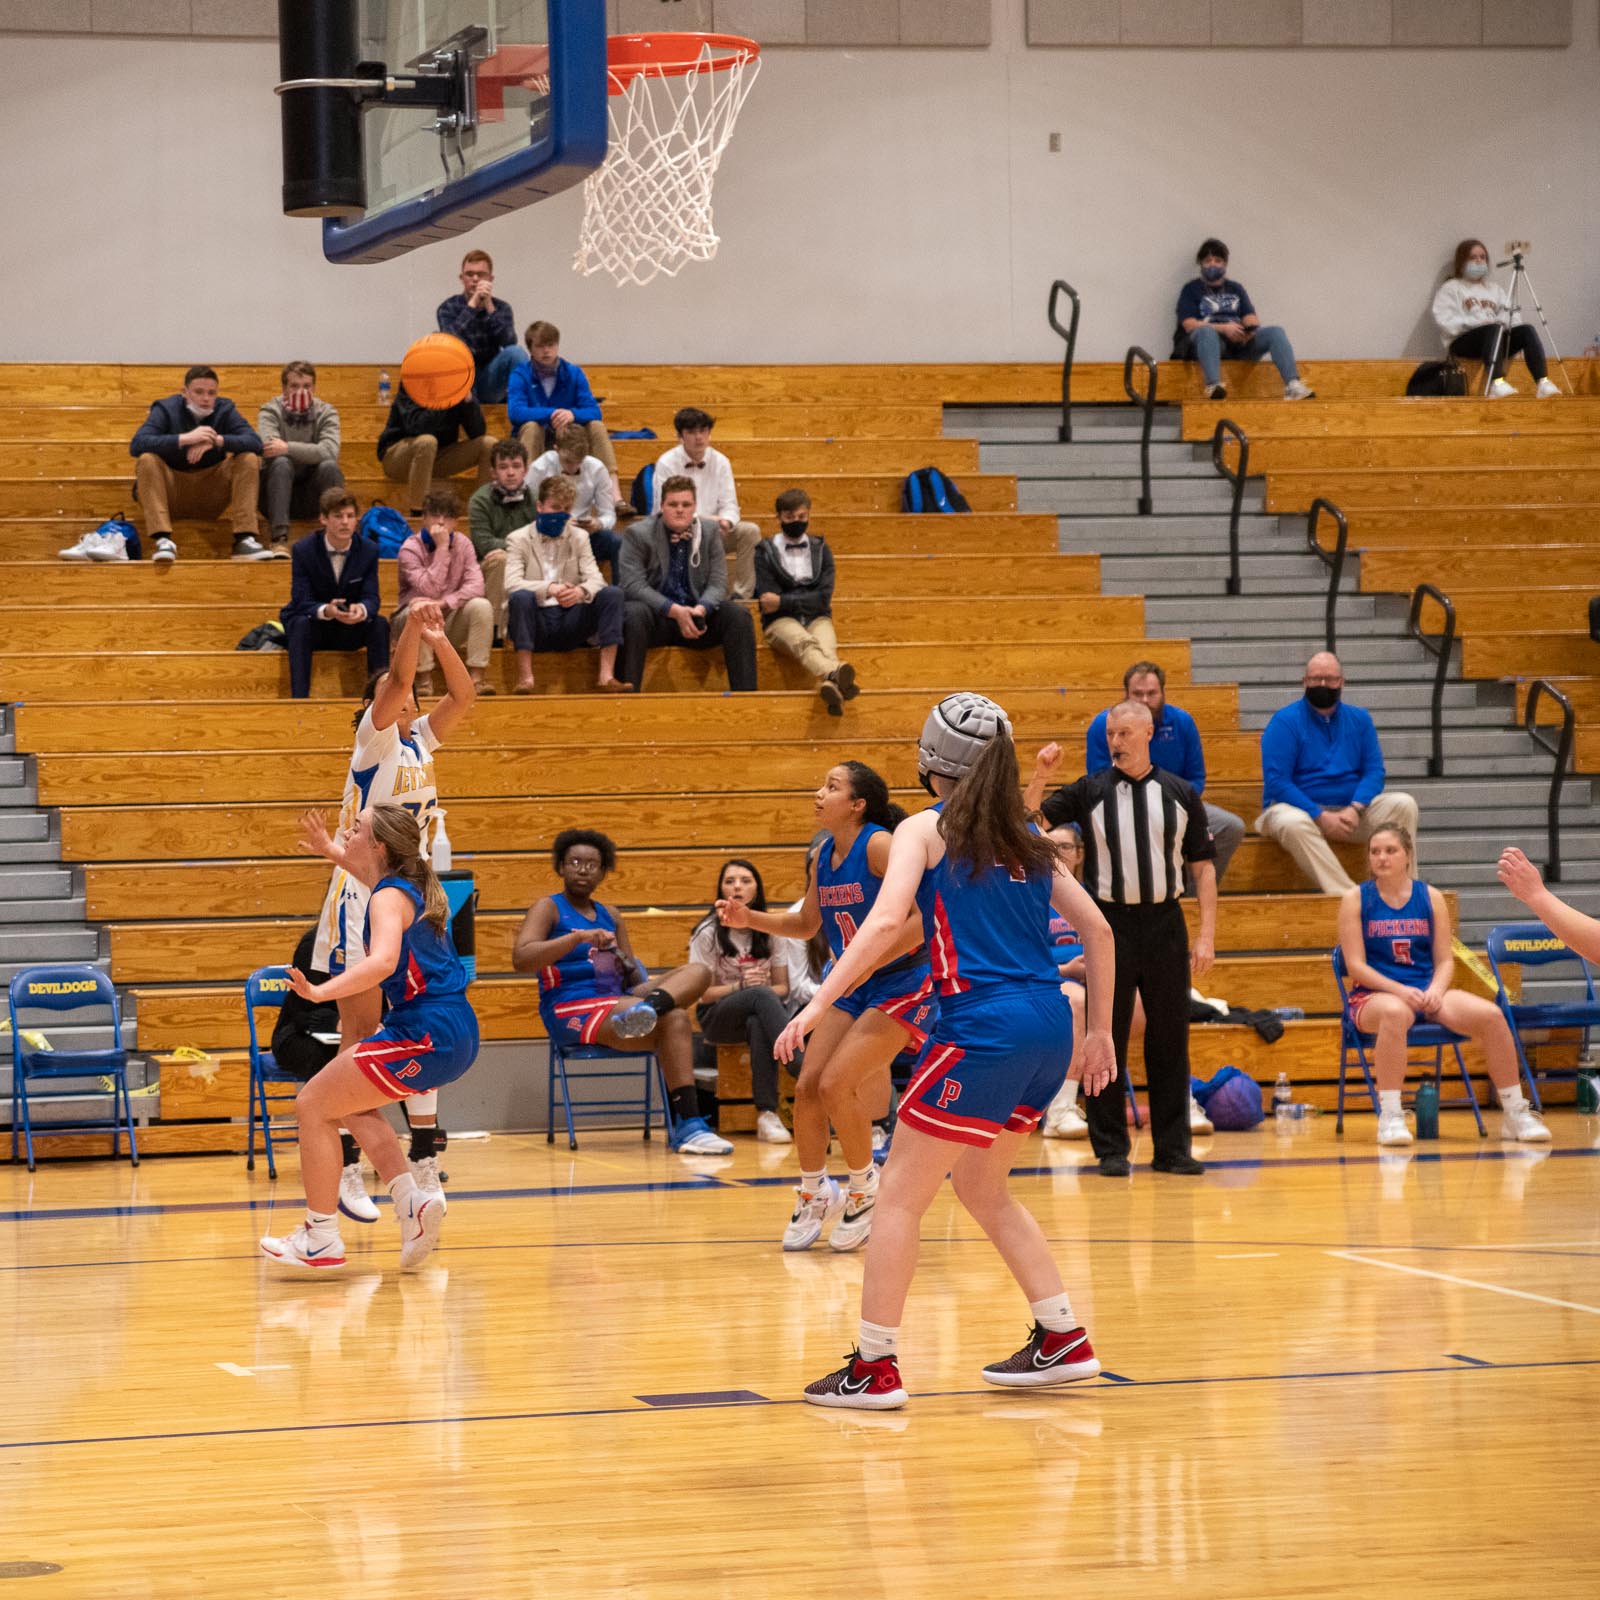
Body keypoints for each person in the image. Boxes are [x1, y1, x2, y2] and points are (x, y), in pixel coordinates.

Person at [773, 695, 1115, 1409]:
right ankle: (1062, 1336)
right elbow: (1100, 931)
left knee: (898, 1196)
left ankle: (875, 1368)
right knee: (983, 1187)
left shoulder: (925, 828)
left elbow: (884, 923)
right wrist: (1100, 1033)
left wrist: (816, 1003)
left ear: (930, 761)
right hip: (1050, 1026)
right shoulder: (1026, 834)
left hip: (981, 1026)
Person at [722, 761, 936, 1255]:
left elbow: (924, 918)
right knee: (809, 1086)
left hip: (904, 980)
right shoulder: (823, 854)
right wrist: (749, 917)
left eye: (832, 787)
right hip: (854, 981)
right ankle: (815, 1190)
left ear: (858, 805)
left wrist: (868, 961)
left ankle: (864, 1190)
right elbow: (806, 925)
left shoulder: (880, 845)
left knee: (838, 1083)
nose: (819, 793)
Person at [302, 600, 475, 1208]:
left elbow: (463, 694)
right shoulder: (372, 744)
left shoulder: (420, 740)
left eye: (406, 698)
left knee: (413, 1016)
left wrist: (439, 638)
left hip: (414, 891)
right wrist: (410, 631)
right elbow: (400, 677)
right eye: (390, 694)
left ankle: (420, 1158)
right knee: (360, 1029)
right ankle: (350, 1165)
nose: (402, 697)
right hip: (362, 890)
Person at [261, 804, 479, 1271]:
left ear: (379, 845)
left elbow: (381, 962)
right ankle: (411, 1203)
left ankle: (320, 1236)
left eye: (356, 829)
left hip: (425, 1031)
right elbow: (362, 868)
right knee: (350, 1105)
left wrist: (320, 991)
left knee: (313, 1104)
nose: (348, 834)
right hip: (450, 1028)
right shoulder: (402, 884)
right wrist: (328, 849)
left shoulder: (385, 899)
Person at [1031, 699, 1217, 1177]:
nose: (1115, 742)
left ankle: (1173, 1149)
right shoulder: (1091, 789)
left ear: (1148, 733)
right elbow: (1029, 822)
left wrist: (1207, 935)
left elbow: (1203, 867)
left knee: (1170, 1037)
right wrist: (1041, 775)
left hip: (1165, 924)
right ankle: (1110, 1148)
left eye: (1124, 734)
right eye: (1111, 735)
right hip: (1109, 927)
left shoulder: (1180, 793)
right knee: (1105, 1034)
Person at [511, 829, 733, 1157]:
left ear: (603, 872)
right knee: (671, 1017)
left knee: (698, 975)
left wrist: (621, 959)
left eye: (592, 864)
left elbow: (633, 979)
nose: (583, 870)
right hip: (571, 1006)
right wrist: (578, 938)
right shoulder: (549, 908)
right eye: (575, 862)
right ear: (561, 867)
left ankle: (689, 1127)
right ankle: (648, 1017)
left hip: (621, 1003)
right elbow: (521, 958)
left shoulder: (611, 915)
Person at [1339, 826, 1548, 1146]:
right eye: (1375, 851)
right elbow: (1356, 966)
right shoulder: (1355, 899)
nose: (1381, 857)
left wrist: (1436, 990)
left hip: (1426, 991)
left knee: (1492, 1015)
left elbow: (1445, 961)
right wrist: (1400, 991)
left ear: (1408, 855)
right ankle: (1391, 1116)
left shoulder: (1431, 897)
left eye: (1390, 850)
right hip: (1374, 996)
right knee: (1395, 1012)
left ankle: (1515, 1112)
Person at [1257, 651, 1419, 894]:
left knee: (1404, 803)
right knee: (1291, 822)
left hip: (1350, 814)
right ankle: (1348, 896)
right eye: (1316, 679)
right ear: (1304, 682)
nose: (1323, 684)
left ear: (1342, 682)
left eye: (1330, 679)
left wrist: (1355, 808)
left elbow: (1374, 771)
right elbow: (1277, 782)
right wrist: (1319, 814)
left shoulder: (1360, 719)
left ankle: (1403, 892)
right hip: (1299, 812)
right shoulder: (1284, 721)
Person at [1038, 823, 1156, 1140]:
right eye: (1050, 847)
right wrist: (1065, 969)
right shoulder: (1032, 894)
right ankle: (1060, 1110)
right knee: (1077, 1003)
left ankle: (1178, 1098)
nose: (1058, 853)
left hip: (1097, 977)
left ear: (1079, 854)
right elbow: (1021, 952)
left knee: (1144, 1004)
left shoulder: (1096, 894)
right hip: (1052, 978)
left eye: (1065, 847)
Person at [1085, 659, 1244, 883]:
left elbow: (1196, 778)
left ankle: (1188, 893)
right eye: (1137, 694)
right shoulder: (1103, 726)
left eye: (1152, 693)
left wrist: (1172, 805)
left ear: (1163, 693)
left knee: (1231, 826)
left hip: (1175, 803)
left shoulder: (1182, 722)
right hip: (1122, 803)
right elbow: (1098, 779)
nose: (1145, 700)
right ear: (1125, 694)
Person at [618, 475, 758, 693]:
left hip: (696, 617)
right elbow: (633, 585)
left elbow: (718, 582)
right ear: (662, 507)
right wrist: (674, 610)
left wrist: (701, 609)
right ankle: (626, 697)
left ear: (694, 507)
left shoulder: (709, 531)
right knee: (632, 613)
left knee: (738, 615)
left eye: (686, 505)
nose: (680, 510)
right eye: (673, 504)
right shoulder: (638, 533)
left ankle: (746, 697)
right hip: (657, 618)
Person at [689, 860, 795, 1147]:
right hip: (717, 1016)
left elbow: (783, 988)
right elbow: (703, 994)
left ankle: (767, 1114)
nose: (737, 886)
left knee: (758, 1020)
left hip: (759, 1012)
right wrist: (741, 986)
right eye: (730, 881)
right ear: (720, 889)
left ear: (757, 889)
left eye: (746, 881)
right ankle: (798, 1061)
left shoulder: (771, 929)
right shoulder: (707, 932)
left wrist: (759, 988)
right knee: (761, 995)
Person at [129, 363, 270, 563]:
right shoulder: (166, 408)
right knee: (147, 459)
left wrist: (217, 440)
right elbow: (137, 444)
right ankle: (162, 539)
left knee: (249, 458)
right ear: (184, 393)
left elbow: (255, 443)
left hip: (211, 492)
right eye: (199, 392)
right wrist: (185, 439)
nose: (206, 398)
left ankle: (244, 539)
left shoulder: (225, 408)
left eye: (211, 393)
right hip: (172, 491)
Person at [504, 475, 630, 693]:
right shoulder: (518, 538)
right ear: (540, 506)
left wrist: (580, 591)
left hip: (570, 616)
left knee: (613, 594)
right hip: (537, 620)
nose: (560, 514)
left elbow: (596, 580)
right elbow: (512, 583)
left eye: (566, 509)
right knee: (520, 597)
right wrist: (549, 588)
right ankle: (526, 679)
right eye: (555, 507)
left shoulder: (579, 537)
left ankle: (606, 676)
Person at [754, 487, 859, 716]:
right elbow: (767, 600)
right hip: (779, 622)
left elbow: (823, 598)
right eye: (790, 517)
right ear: (778, 518)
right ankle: (835, 674)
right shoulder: (764, 551)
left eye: (802, 516)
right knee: (805, 643)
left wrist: (783, 601)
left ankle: (831, 686)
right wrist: (800, 601)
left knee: (826, 648)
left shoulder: (821, 550)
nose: (796, 521)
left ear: (809, 515)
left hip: (817, 617)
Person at [279, 487, 390, 701]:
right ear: (323, 519)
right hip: (318, 626)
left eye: (350, 516)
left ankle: (382, 700)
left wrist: (361, 609)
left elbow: (372, 597)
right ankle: (298, 700)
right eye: (338, 516)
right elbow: (301, 599)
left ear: (356, 519)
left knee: (379, 624)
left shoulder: (368, 550)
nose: (345, 522)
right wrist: (327, 610)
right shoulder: (304, 549)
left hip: (350, 627)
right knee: (299, 624)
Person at [1173, 238, 1314, 402]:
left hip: (1237, 343)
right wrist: (1224, 328)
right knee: (1205, 331)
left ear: (1225, 264)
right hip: (1210, 344)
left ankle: (1293, 385)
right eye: (1208, 260)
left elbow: (1250, 317)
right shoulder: (1191, 289)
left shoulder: (1236, 288)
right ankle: (1213, 386)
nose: (1212, 264)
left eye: (1217, 260)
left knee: (1275, 332)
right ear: (1201, 264)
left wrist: (1249, 331)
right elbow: (1189, 324)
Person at [395, 489, 496, 698]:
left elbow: (477, 586)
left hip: (448, 618)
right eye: (435, 515)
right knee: (421, 609)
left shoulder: (463, 543)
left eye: (448, 517)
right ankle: (423, 680)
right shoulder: (410, 548)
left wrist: (445, 603)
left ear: (456, 522)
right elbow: (429, 590)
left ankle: (476, 679)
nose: (441, 522)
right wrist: (442, 548)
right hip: (411, 624)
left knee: (481, 605)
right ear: (424, 518)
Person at [651, 407, 760, 600]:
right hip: (677, 532)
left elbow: (730, 504)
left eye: (703, 431)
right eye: (691, 432)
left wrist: (727, 521)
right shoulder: (666, 462)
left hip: (715, 532)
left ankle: (741, 595)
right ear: (680, 436)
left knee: (749, 531)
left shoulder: (721, 461)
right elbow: (665, 510)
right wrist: (705, 522)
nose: (699, 437)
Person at [1432, 240, 1561, 398]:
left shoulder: (1494, 289)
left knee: (1526, 330)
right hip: (1463, 341)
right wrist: (1478, 324)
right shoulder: (1451, 287)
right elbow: (1445, 321)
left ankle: (1543, 382)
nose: (1479, 261)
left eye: (1482, 257)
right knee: (1493, 329)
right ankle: (1497, 383)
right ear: (1462, 261)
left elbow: (1512, 316)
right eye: (1473, 257)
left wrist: (1499, 323)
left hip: (1494, 338)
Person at [507, 319, 620, 492]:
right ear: (530, 349)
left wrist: (572, 415)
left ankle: (615, 493)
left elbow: (594, 411)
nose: (546, 350)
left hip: (568, 438)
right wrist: (552, 413)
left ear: (557, 346)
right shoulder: (520, 374)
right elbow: (515, 412)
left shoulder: (573, 372)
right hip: (537, 438)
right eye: (540, 346)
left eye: (551, 345)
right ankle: (526, 493)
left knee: (596, 426)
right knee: (531, 427)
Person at [258, 359, 345, 556]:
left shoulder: (326, 412)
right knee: (281, 462)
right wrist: (309, 452)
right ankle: (279, 539)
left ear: (314, 387)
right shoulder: (270, 410)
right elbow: (269, 447)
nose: (301, 391)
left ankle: (334, 538)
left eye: (306, 386)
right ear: (284, 388)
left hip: (312, 494)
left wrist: (287, 447)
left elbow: (330, 451)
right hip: (274, 493)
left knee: (330, 467)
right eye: (294, 386)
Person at [376, 386, 493, 516]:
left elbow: (478, 432)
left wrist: (469, 402)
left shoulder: (460, 382)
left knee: (489, 444)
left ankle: (481, 515)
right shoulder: (412, 382)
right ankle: (418, 514)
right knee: (427, 442)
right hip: (399, 456)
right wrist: (443, 400)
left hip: (438, 456)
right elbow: (417, 427)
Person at [435, 248, 529, 404]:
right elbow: (450, 340)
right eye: (470, 274)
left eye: (481, 274)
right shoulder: (448, 307)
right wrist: (472, 305)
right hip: (461, 379)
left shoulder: (501, 307)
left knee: (516, 352)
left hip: (491, 379)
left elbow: (509, 341)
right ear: (462, 278)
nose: (475, 279)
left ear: (490, 279)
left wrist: (489, 306)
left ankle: (521, 408)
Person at [528, 423, 620, 579]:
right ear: (556, 449)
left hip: (583, 535)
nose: (573, 467)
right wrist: (555, 522)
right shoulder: (540, 468)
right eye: (568, 461)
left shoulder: (597, 468)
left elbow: (609, 514)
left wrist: (598, 523)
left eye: (579, 461)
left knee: (616, 542)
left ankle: (624, 591)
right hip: (547, 536)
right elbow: (527, 513)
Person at [468, 437, 536, 631]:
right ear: (493, 472)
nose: (511, 472)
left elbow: (542, 540)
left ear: (525, 470)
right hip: (489, 567)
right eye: (503, 467)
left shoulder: (536, 499)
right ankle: (495, 631)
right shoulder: (480, 500)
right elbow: (485, 544)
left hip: (528, 561)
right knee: (500, 560)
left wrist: (518, 548)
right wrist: (524, 546)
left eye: (516, 466)